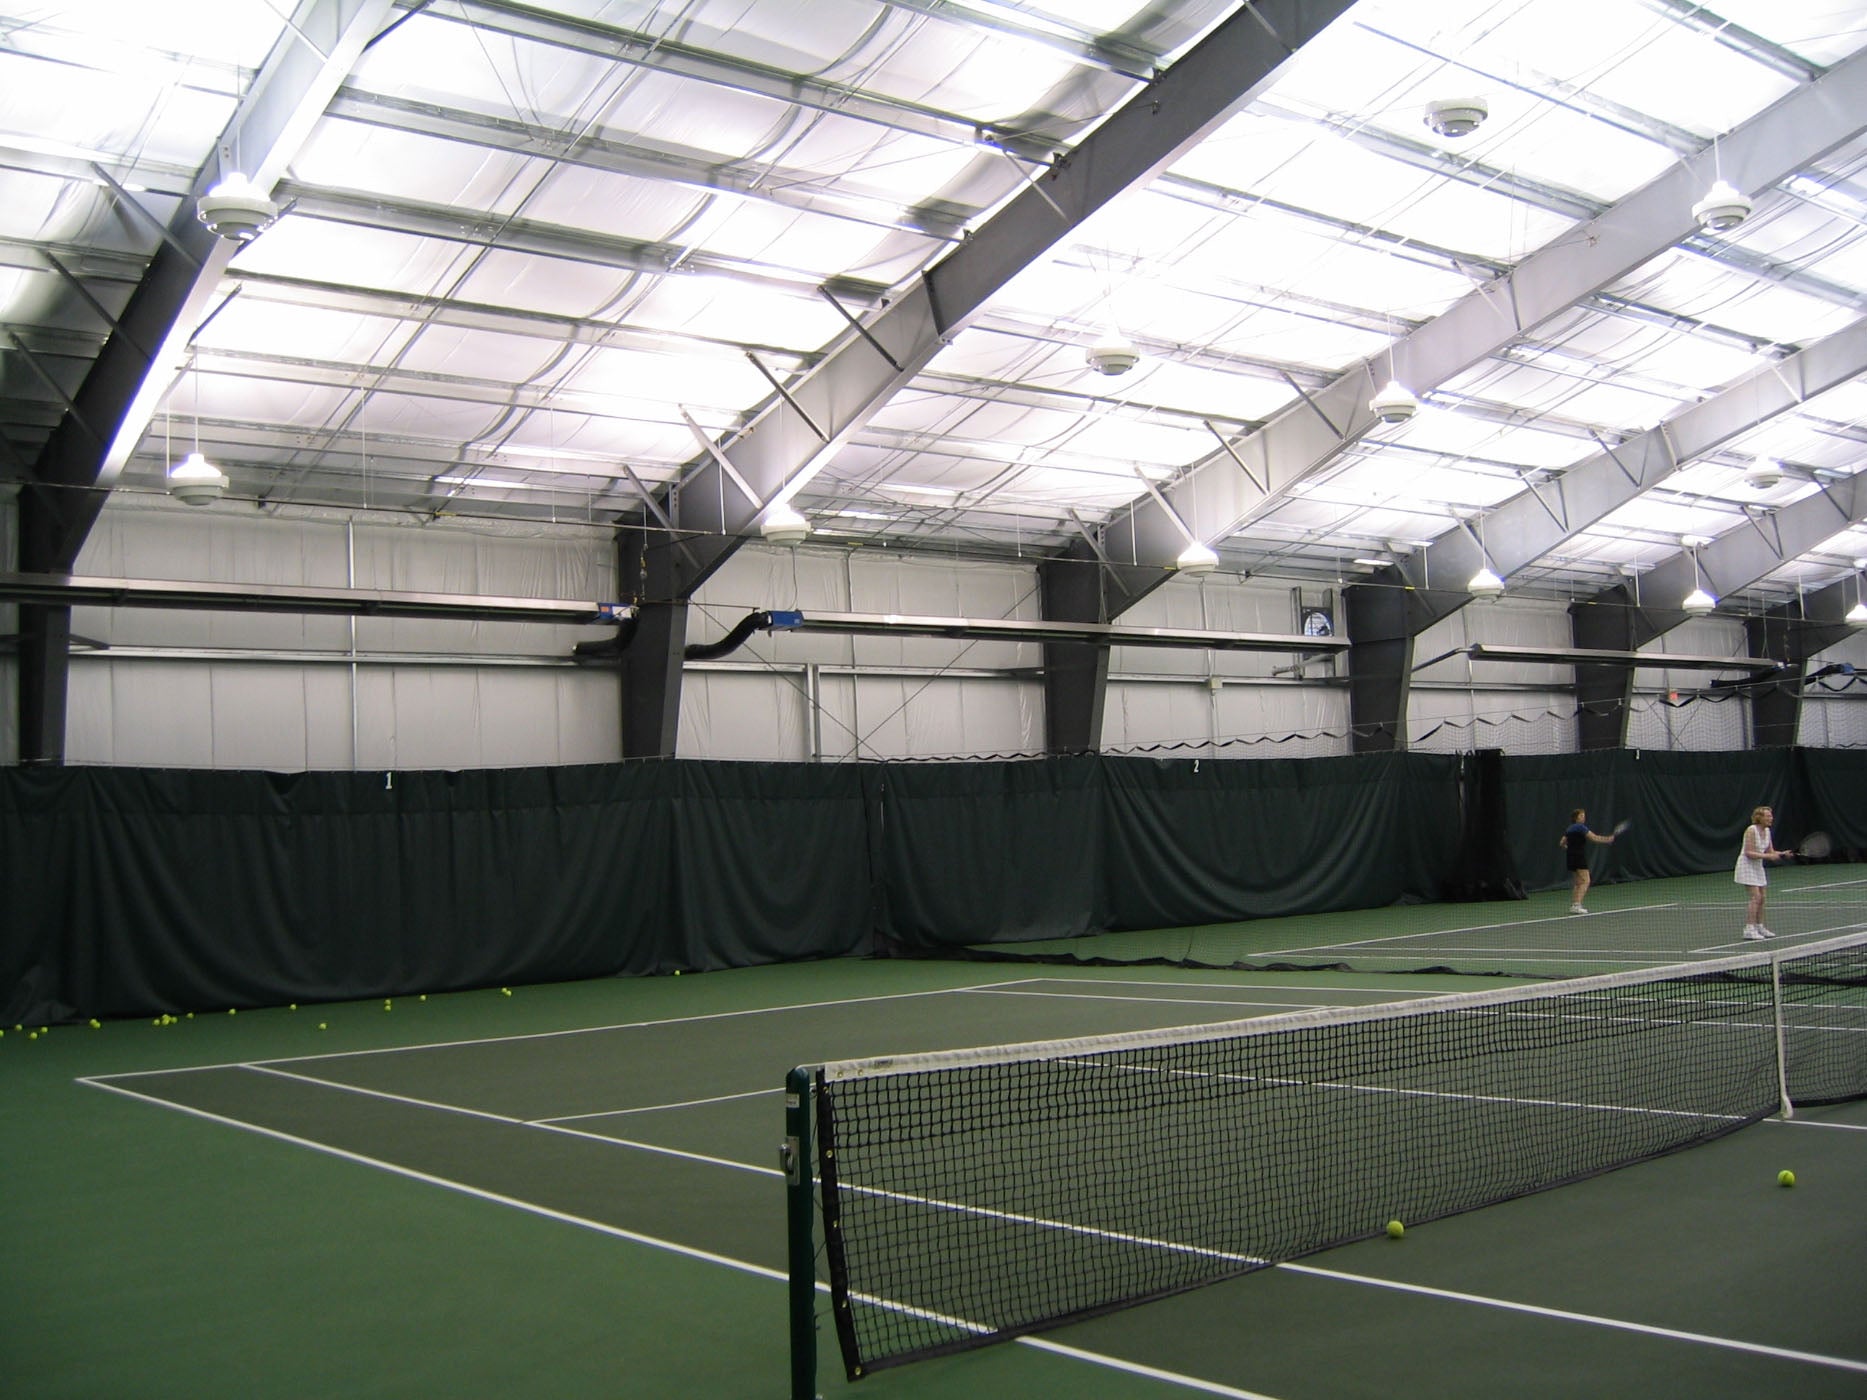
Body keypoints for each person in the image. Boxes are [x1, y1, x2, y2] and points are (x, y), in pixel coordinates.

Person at [1735, 805, 1793, 940]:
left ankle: (1760, 926)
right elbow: (1749, 853)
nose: (1771, 818)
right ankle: (1749, 929)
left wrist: (1783, 854)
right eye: (1768, 816)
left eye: (1771, 816)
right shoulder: (1751, 830)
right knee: (1756, 897)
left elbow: (1771, 852)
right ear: (1759, 818)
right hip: (1746, 866)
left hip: (1757, 866)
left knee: (1763, 898)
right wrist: (1768, 857)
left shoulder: (1767, 831)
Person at [1560, 808, 1615, 914]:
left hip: (1570, 857)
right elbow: (1594, 838)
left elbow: (1561, 842)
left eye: (1584, 815)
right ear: (1576, 818)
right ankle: (1577, 905)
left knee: (1578, 882)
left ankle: (1574, 905)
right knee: (1586, 880)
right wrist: (1608, 839)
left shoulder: (1569, 828)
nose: (1584, 817)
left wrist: (1568, 848)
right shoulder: (1581, 827)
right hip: (1579, 856)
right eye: (1581, 816)